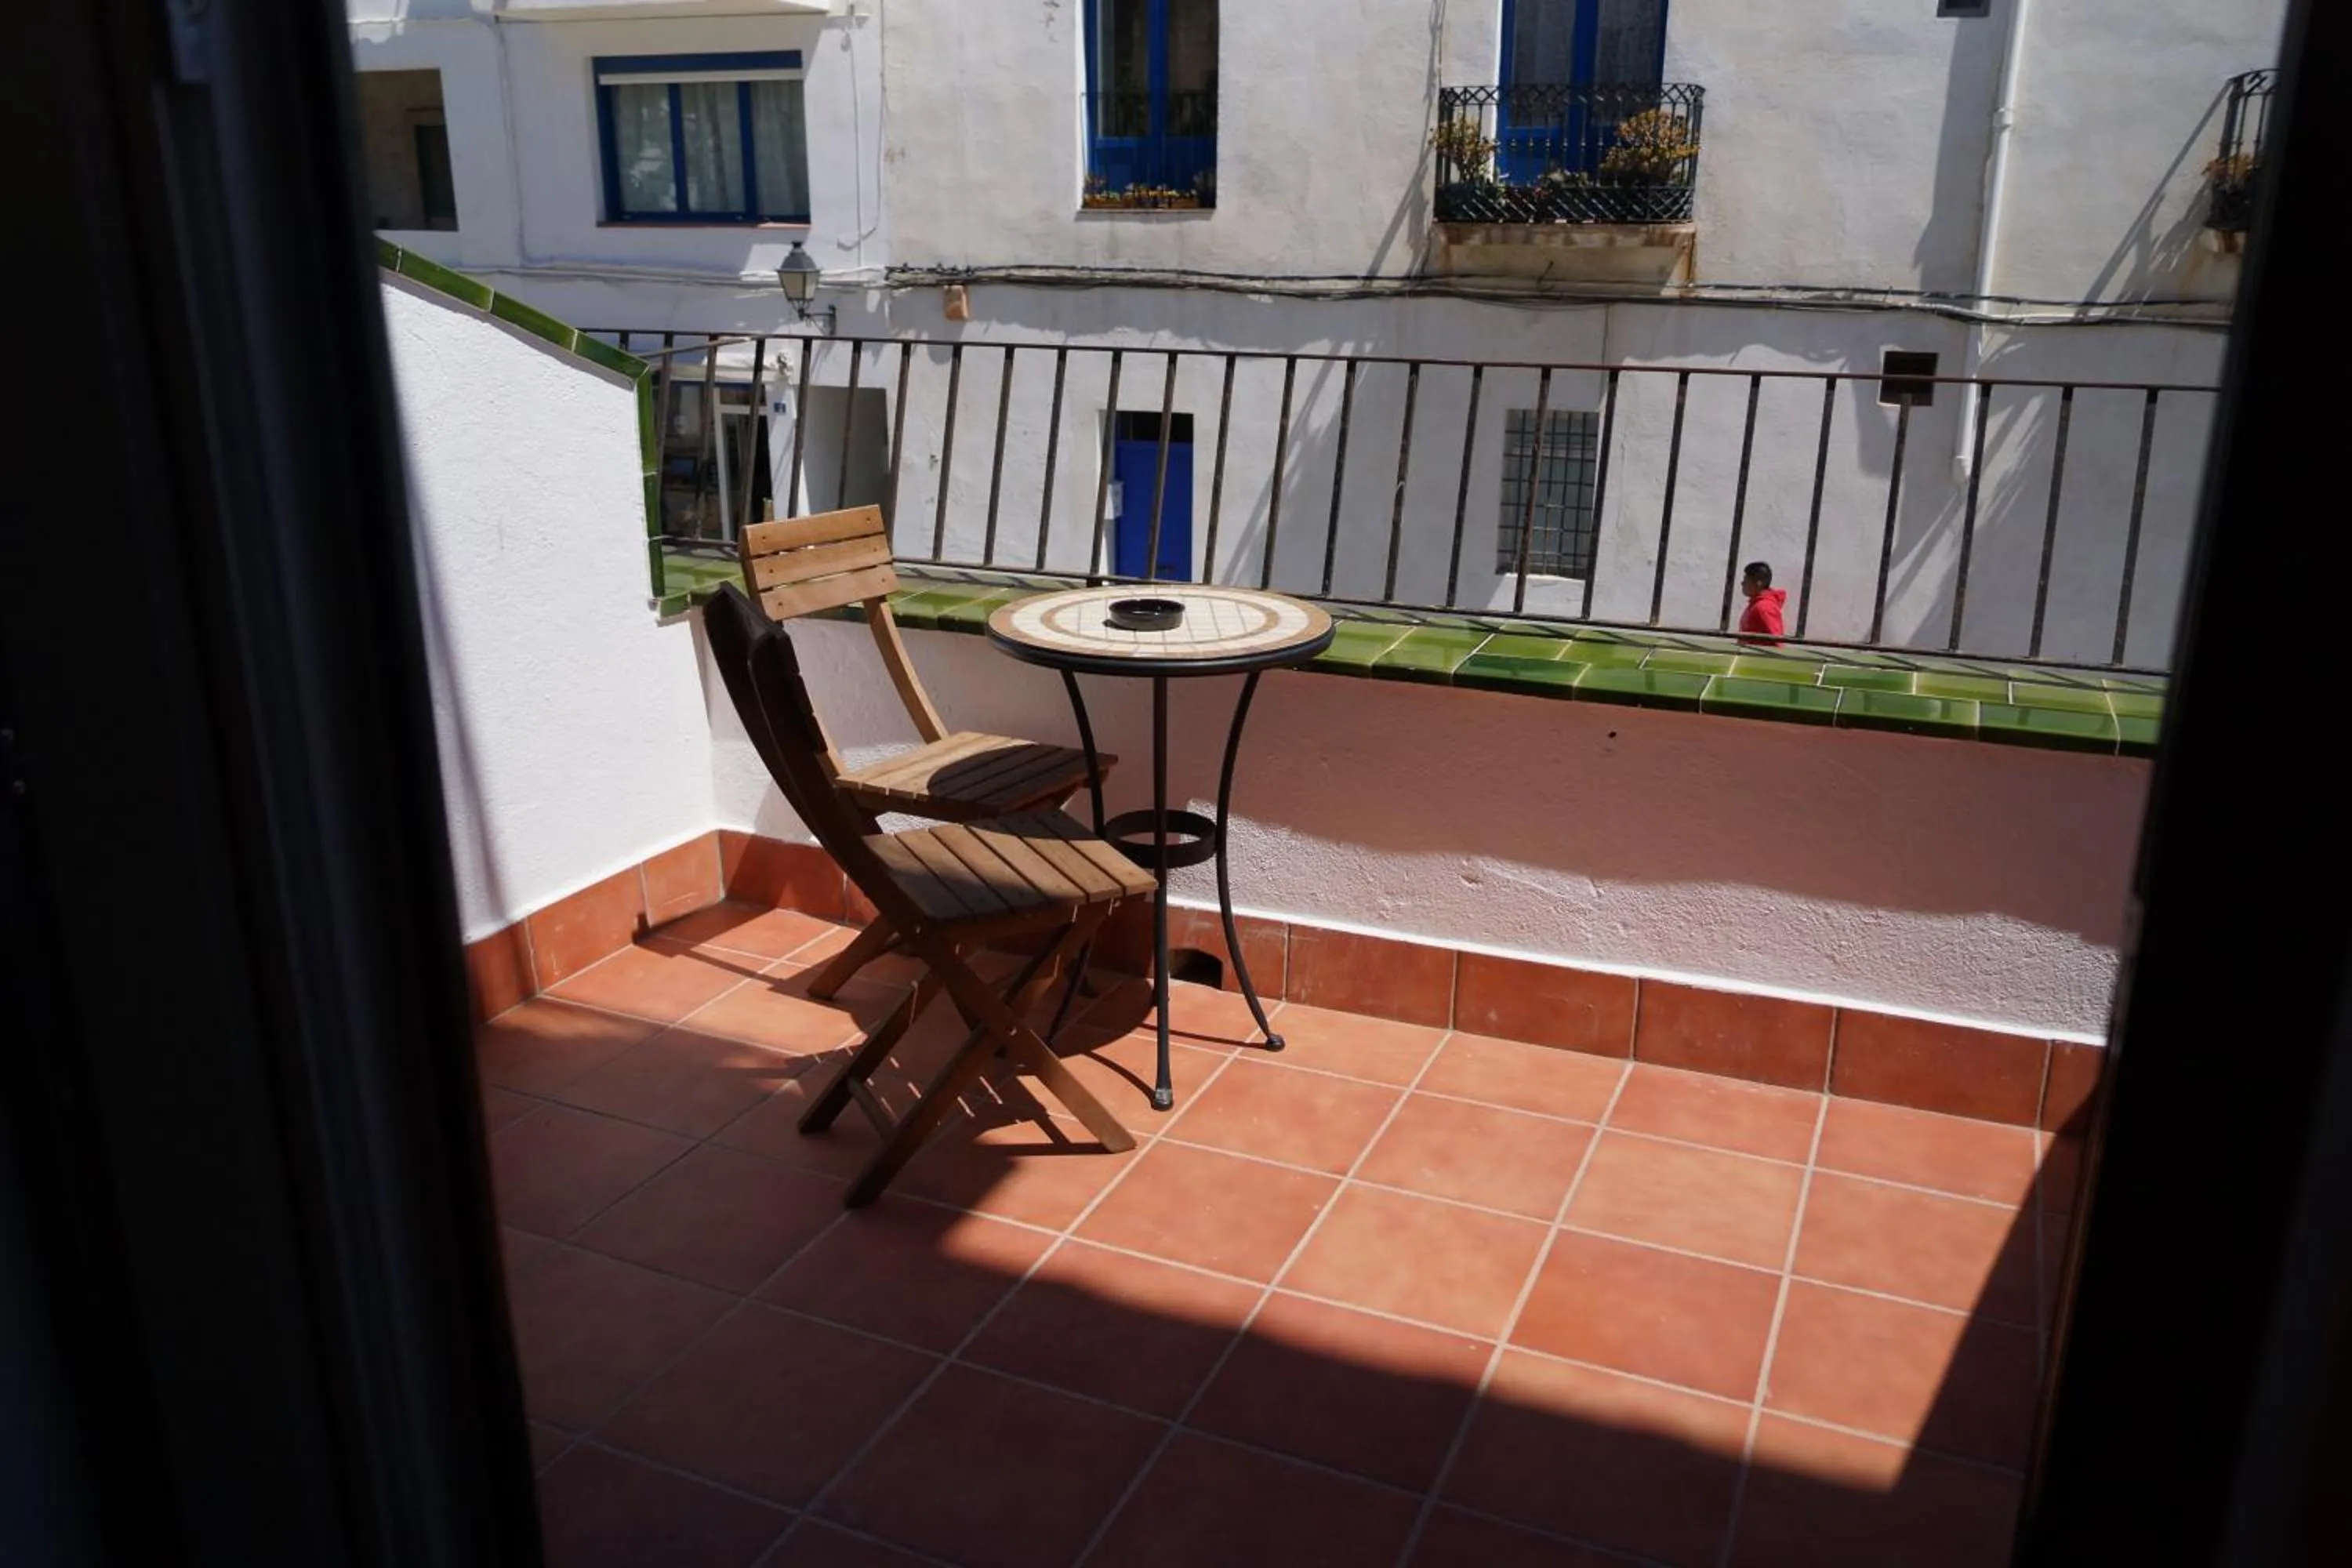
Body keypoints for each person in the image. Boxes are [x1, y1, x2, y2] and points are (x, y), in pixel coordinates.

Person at [1738, 561, 1788, 646]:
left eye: (1746, 580)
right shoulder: (1756, 604)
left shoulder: (1764, 608)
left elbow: (1777, 643)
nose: (1742, 583)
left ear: (1758, 584)